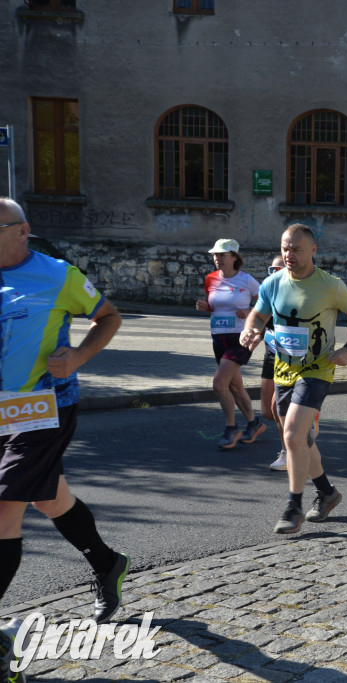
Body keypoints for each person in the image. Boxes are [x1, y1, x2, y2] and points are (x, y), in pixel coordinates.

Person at [0, 198, 130, 647]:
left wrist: (78, 356)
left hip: (41, 407)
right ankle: (107, 564)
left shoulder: (58, 275)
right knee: (49, 500)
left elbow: (109, 317)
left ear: (22, 231)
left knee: (5, 507)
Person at [240, 224, 347, 533]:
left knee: (293, 435)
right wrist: (251, 329)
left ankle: (293, 507)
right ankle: (327, 492)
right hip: (283, 368)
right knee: (298, 439)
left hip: (317, 368)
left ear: (313, 250)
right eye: (285, 248)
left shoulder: (330, 285)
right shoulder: (273, 283)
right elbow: (258, 314)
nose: (289, 254)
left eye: (296, 249)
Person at [196, 239, 263, 450]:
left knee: (219, 384)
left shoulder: (247, 280)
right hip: (218, 337)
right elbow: (214, 306)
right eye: (215, 255)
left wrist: (249, 311)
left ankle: (231, 428)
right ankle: (254, 424)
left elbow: (266, 304)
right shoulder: (210, 279)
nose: (217, 258)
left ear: (234, 257)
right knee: (234, 386)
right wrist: (205, 306)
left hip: (240, 338)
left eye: (221, 255)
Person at [262, 256, 289, 471]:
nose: (275, 272)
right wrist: (251, 333)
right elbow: (258, 319)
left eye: (279, 268)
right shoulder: (268, 291)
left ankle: (287, 452)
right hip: (271, 354)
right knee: (267, 412)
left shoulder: (297, 293)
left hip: (290, 357)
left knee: (276, 407)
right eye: (272, 268)